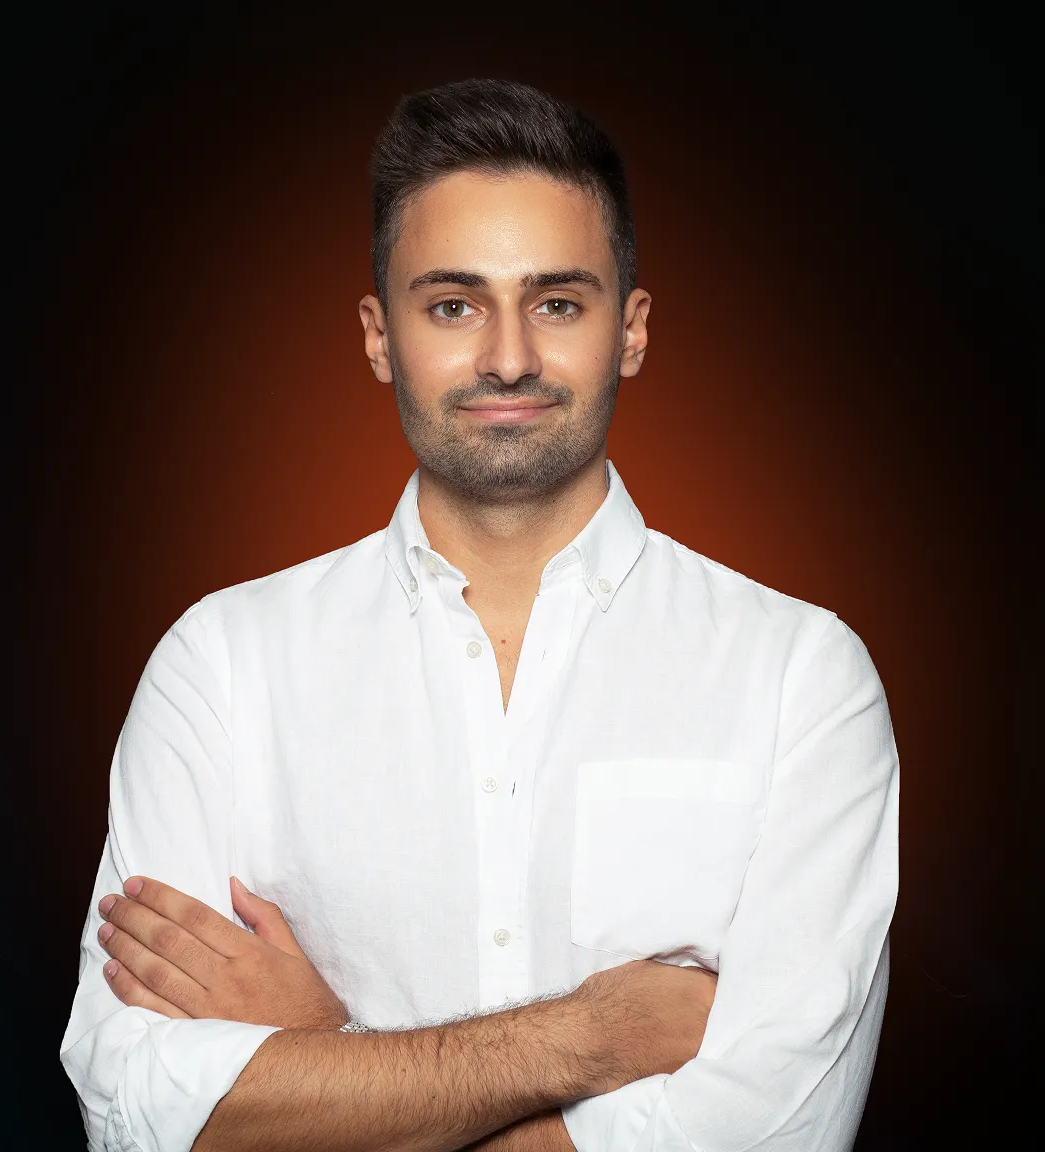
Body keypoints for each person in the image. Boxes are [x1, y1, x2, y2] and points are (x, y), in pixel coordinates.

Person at [60, 78, 899, 1152]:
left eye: (558, 303)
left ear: (632, 330)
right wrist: (590, 1036)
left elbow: (781, 1131)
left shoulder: (802, 678)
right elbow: (135, 1112)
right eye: (453, 305)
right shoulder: (222, 665)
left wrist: (323, 1056)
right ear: (379, 337)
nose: (508, 357)